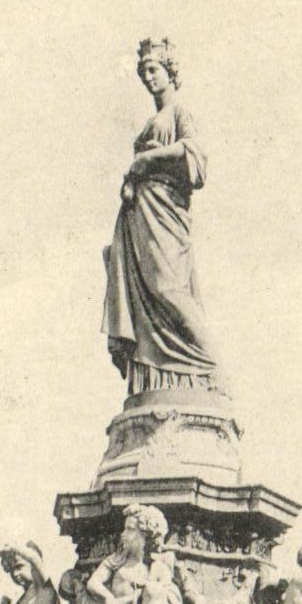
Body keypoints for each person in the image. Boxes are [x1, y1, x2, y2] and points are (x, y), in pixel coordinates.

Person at [102, 38, 218, 393]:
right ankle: (154, 380)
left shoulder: (180, 114)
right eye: (143, 72)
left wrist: (144, 161)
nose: (148, 78)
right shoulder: (151, 121)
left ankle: (209, 367)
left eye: (154, 70)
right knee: (143, 295)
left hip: (166, 217)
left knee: (169, 288)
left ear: (170, 72)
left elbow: (196, 158)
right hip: (139, 218)